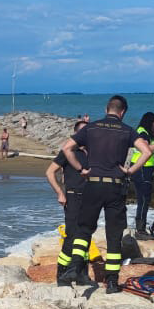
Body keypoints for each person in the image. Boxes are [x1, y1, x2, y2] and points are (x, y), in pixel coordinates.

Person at [56, 95, 152, 293]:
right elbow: (147, 152)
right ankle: (111, 282)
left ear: (106, 108)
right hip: (116, 186)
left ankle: (74, 267)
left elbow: (67, 148)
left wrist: (80, 168)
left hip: (92, 184)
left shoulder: (91, 128)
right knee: (114, 235)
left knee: (83, 229)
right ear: (123, 112)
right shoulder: (127, 130)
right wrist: (131, 170)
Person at [45, 120, 88, 282]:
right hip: (72, 196)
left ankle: (82, 272)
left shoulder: (89, 152)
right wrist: (60, 193)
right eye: (82, 133)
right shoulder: (67, 151)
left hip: (89, 199)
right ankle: (62, 272)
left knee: (85, 235)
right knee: (72, 235)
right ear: (76, 135)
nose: (86, 136)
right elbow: (49, 173)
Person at [130, 112, 154, 237]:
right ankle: (140, 229)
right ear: (150, 122)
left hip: (143, 167)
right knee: (143, 199)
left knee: (143, 199)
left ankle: (140, 227)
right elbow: (146, 150)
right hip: (142, 168)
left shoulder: (144, 132)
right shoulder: (142, 132)